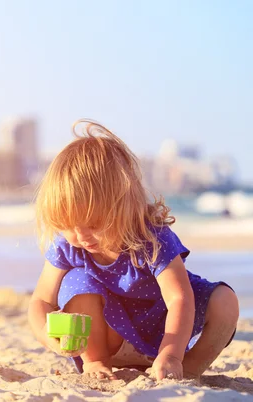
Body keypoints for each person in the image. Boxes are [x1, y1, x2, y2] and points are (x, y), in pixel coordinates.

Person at [28, 119, 239, 381]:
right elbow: (41, 301)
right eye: (69, 225)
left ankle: (189, 369)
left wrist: (172, 354)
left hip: (166, 337)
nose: (81, 236)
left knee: (225, 301)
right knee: (76, 281)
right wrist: (50, 338)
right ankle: (96, 362)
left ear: (124, 206)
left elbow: (178, 298)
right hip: (108, 340)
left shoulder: (152, 239)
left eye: (94, 224)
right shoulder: (68, 246)